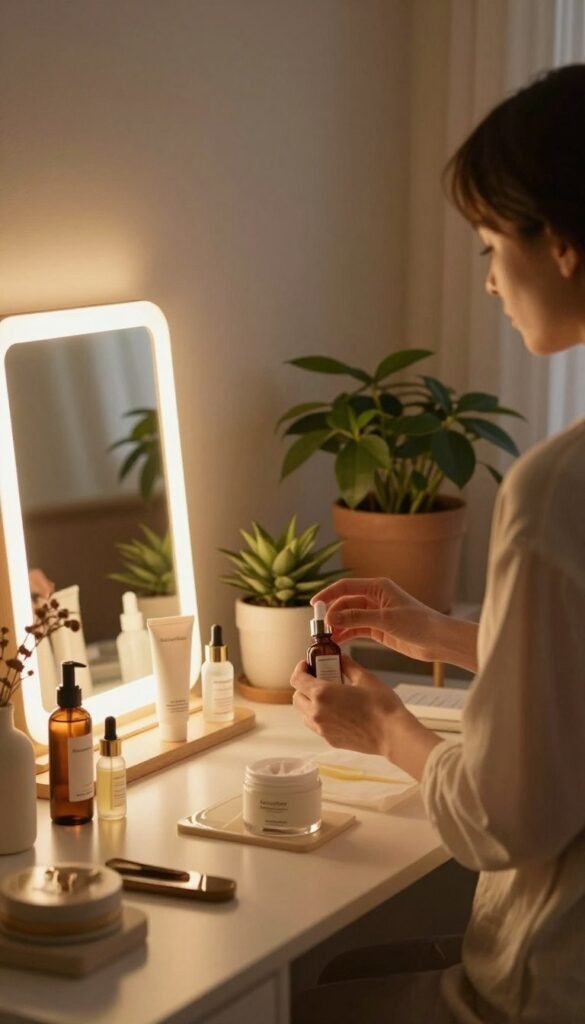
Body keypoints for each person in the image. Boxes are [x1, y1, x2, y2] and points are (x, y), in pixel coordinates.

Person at [290, 63, 585, 1024]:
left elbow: (503, 820)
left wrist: (383, 729)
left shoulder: (556, 489)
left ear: (564, 244)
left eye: (494, 243)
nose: (493, 278)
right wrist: (450, 638)